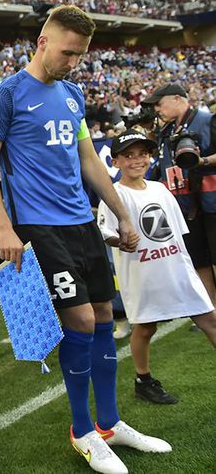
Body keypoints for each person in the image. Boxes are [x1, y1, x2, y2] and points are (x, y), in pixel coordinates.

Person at [0, 5, 170, 474]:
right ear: (42, 42)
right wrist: (4, 227)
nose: (73, 62)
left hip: (82, 222)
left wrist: (121, 215)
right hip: (39, 227)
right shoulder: (7, 95)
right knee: (81, 320)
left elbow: (88, 162)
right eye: (67, 53)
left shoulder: (73, 95)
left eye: (80, 55)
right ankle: (82, 431)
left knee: (104, 314)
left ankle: (110, 423)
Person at [97, 130, 216, 404]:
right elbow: (104, 232)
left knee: (209, 320)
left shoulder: (160, 189)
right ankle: (144, 379)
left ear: (151, 157)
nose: (137, 160)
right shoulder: (114, 195)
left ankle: (144, 380)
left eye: (143, 154)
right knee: (146, 328)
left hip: (176, 268)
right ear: (115, 162)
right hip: (143, 274)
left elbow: (177, 231)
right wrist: (120, 240)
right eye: (128, 156)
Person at [146, 83, 216, 308]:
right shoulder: (166, 131)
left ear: (177, 98)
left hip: (212, 201)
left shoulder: (207, 120)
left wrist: (202, 161)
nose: (157, 109)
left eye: (159, 103)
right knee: (199, 260)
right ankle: (211, 309)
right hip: (184, 206)